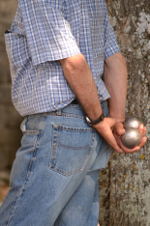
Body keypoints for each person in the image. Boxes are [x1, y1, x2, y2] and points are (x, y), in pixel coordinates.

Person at [0, 0, 147, 225]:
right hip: (91, 134)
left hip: (59, 127)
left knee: (20, 219)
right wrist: (115, 122)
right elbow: (115, 60)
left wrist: (99, 120)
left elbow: (73, 63)